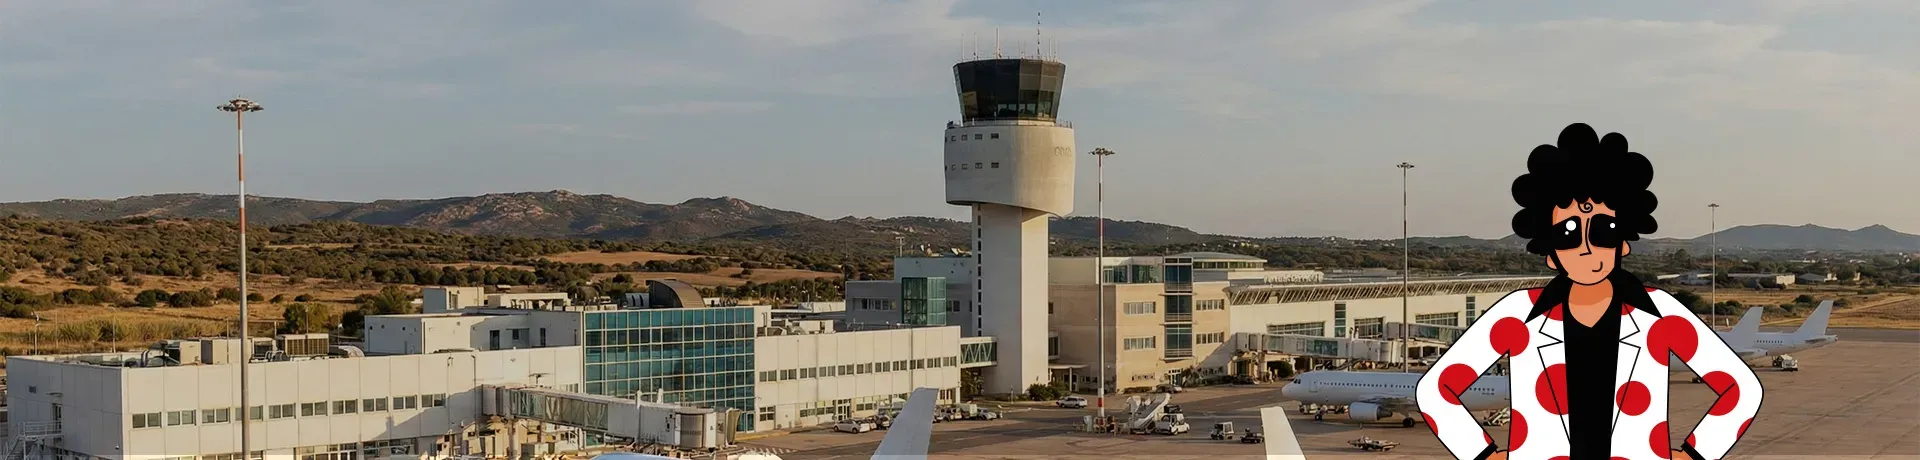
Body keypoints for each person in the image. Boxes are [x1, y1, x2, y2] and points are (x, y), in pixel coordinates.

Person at [1415, 123, 1764, 460]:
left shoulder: (1660, 313)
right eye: (1568, 235)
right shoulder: (1517, 314)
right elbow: (1435, 391)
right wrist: (1482, 454)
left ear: (1623, 245)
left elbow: (1742, 389)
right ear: (1550, 254)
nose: (1586, 247)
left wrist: (1695, 454)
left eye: (1604, 230)